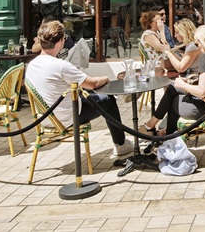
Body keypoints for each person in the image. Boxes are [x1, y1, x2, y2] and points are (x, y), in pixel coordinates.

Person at [25, 20, 133, 158]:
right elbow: (92, 83)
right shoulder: (60, 66)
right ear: (59, 42)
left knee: (88, 92)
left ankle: (121, 98)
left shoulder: (32, 65)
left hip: (45, 118)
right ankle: (121, 144)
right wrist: (106, 78)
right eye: (64, 38)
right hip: (66, 117)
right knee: (108, 99)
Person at [143, 25, 205, 135]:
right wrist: (189, 83)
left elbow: (202, 91)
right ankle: (159, 130)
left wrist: (183, 85)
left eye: (197, 43)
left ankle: (168, 136)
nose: (197, 47)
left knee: (173, 100)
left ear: (204, 40)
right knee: (172, 89)